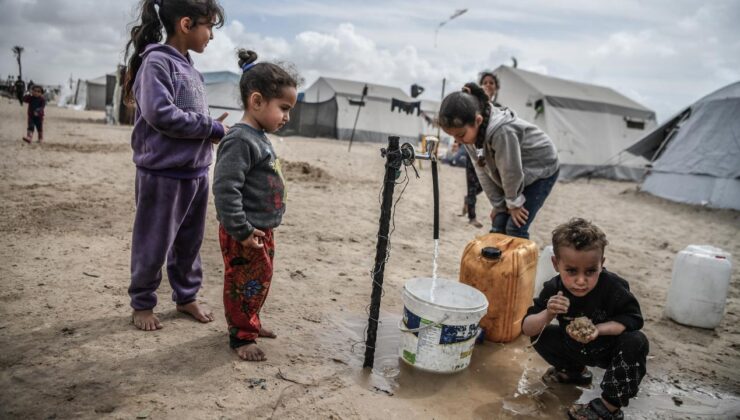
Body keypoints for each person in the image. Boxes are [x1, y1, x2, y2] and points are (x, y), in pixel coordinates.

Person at [123, 0, 227, 331]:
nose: (210, 35)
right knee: (153, 241)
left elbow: (190, 118)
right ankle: (142, 302)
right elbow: (160, 114)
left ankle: (185, 297)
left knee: (189, 243)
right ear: (186, 24)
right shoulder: (156, 63)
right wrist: (210, 127)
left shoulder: (192, 70)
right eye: (208, 26)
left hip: (196, 173)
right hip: (162, 174)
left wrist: (211, 129)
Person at [213, 49, 298, 361]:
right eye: (284, 108)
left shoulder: (259, 136)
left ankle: (250, 322)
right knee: (243, 283)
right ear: (257, 101)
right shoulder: (239, 139)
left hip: (261, 229)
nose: (287, 117)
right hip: (244, 231)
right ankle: (241, 337)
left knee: (260, 279)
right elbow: (225, 189)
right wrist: (242, 229)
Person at [522, 218, 649, 420]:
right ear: (556, 264)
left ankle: (609, 406)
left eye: (591, 271)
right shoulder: (555, 289)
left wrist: (598, 329)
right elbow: (527, 328)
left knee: (636, 340)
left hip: (607, 349)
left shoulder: (613, 287)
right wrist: (548, 313)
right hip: (574, 347)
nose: (581, 281)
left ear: (602, 264)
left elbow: (632, 320)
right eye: (571, 271)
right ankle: (573, 372)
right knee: (543, 333)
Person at [439, 83, 559, 239]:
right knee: (499, 222)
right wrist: (499, 205)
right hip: (515, 172)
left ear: (478, 120)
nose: (458, 140)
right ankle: (499, 262)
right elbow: (482, 171)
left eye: (460, 135)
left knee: (514, 227)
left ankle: (516, 263)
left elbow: (510, 172)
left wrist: (514, 203)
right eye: (453, 136)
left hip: (541, 168)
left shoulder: (501, 132)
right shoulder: (468, 137)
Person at [460, 71, 503, 228]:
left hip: (489, 154)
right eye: (485, 82)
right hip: (472, 151)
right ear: (481, 85)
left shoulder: (498, 109)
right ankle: (472, 217)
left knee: (486, 183)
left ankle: (468, 200)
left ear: (496, 88)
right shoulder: (474, 106)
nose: (488, 85)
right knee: (471, 184)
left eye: (491, 83)